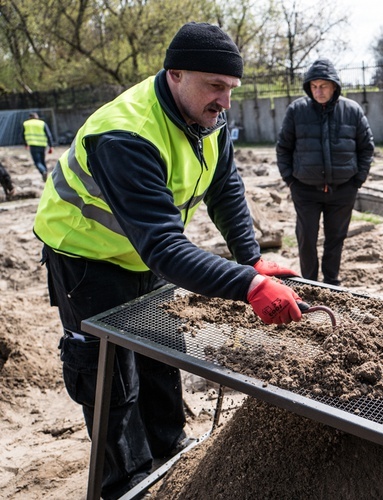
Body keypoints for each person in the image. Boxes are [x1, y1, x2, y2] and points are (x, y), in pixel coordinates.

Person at [33, 22, 304, 499]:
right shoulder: (126, 135)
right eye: (215, 86)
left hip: (142, 253)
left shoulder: (207, 119)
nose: (225, 100)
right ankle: (128, 481)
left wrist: (251, 259)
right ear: (175, 74)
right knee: (109, 375)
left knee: (161, 348)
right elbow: (164, 247)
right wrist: (249, 286)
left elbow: (224, 187)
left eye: (231, 89)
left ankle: (169, 446)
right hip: (86, 256)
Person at [276, 58, 374, 286]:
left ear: (334, 86)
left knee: (335, 239)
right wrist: (290, 180)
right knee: (306, 238)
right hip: (305, 190)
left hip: (343, 190)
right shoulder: (297, 110)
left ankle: (331, 283)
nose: (318, 91)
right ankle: (310, 283)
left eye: (323, 86)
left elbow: (366, 147)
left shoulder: (352, 110)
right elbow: (283, 147)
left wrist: (357, 180)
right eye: (314, 86)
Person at [23, 112, 54, 181]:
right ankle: (46, 176)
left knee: (37, 162)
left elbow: (22, 135)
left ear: (30, 117)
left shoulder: (26, 124)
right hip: (42, 145)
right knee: (42, 160)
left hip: (33, 145)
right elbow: (48, 135)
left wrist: (25, 144)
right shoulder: (42, 123)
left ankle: (43, 172)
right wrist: (51, 146)